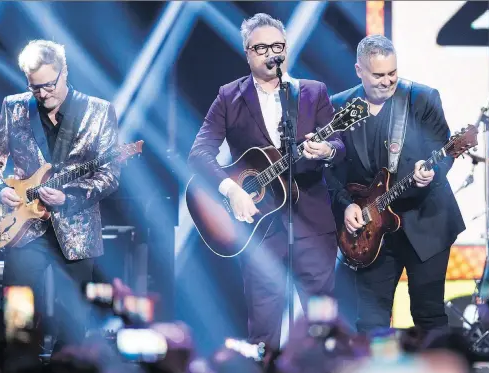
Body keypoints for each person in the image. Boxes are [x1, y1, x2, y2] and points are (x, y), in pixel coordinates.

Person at [188, 13, 345, 349]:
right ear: (247, 52)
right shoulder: (230, 96)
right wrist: (231, 189)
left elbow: (340, 146)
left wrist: (326, 151)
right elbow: (199, 153)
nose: (272, 53)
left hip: (312, 226)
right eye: (262, 47)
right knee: (263, 330)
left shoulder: (312, 92)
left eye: (278, 46)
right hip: (259, 230)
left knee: (322, 328)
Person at [0, 40, 120, 361]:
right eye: (34, 88)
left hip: (77, 229)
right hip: (24, 229)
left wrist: (69, 197)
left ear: (64, 71)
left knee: (74, 319)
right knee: (17, 311)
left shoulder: (98, 112)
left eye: (48, 85)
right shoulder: (14, 107)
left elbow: (110, 174)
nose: (42, 94)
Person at [326, 35, 465, 333]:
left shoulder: (422, 98)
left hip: (425, 223)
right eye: (378, 75)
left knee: (428, 315)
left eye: (393, 73)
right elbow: (330, 170)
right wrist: (345, 204)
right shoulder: (339, 107)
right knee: (371, 322)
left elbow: (444, 151)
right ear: (358, 70)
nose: (387, 81)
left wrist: (431, 172)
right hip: (371, 231)